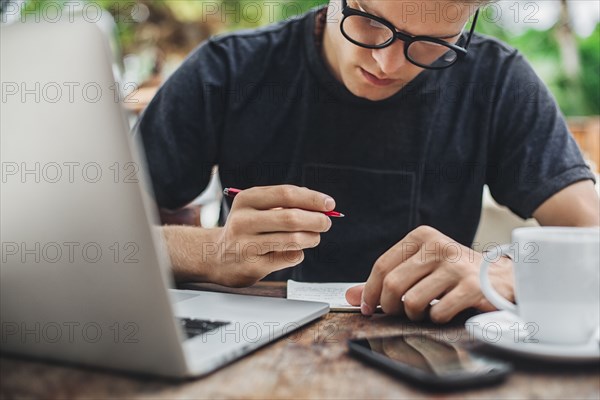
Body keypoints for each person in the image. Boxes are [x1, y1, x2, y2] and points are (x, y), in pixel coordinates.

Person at [136, 0, 599, 322]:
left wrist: (505, 273)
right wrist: (211, 252)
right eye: (370, 22)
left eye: (434, 43)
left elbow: (592, 233)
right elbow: (92, 241)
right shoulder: (228, 71)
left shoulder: (497, 82)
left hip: (431, 356)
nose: (388, 63)